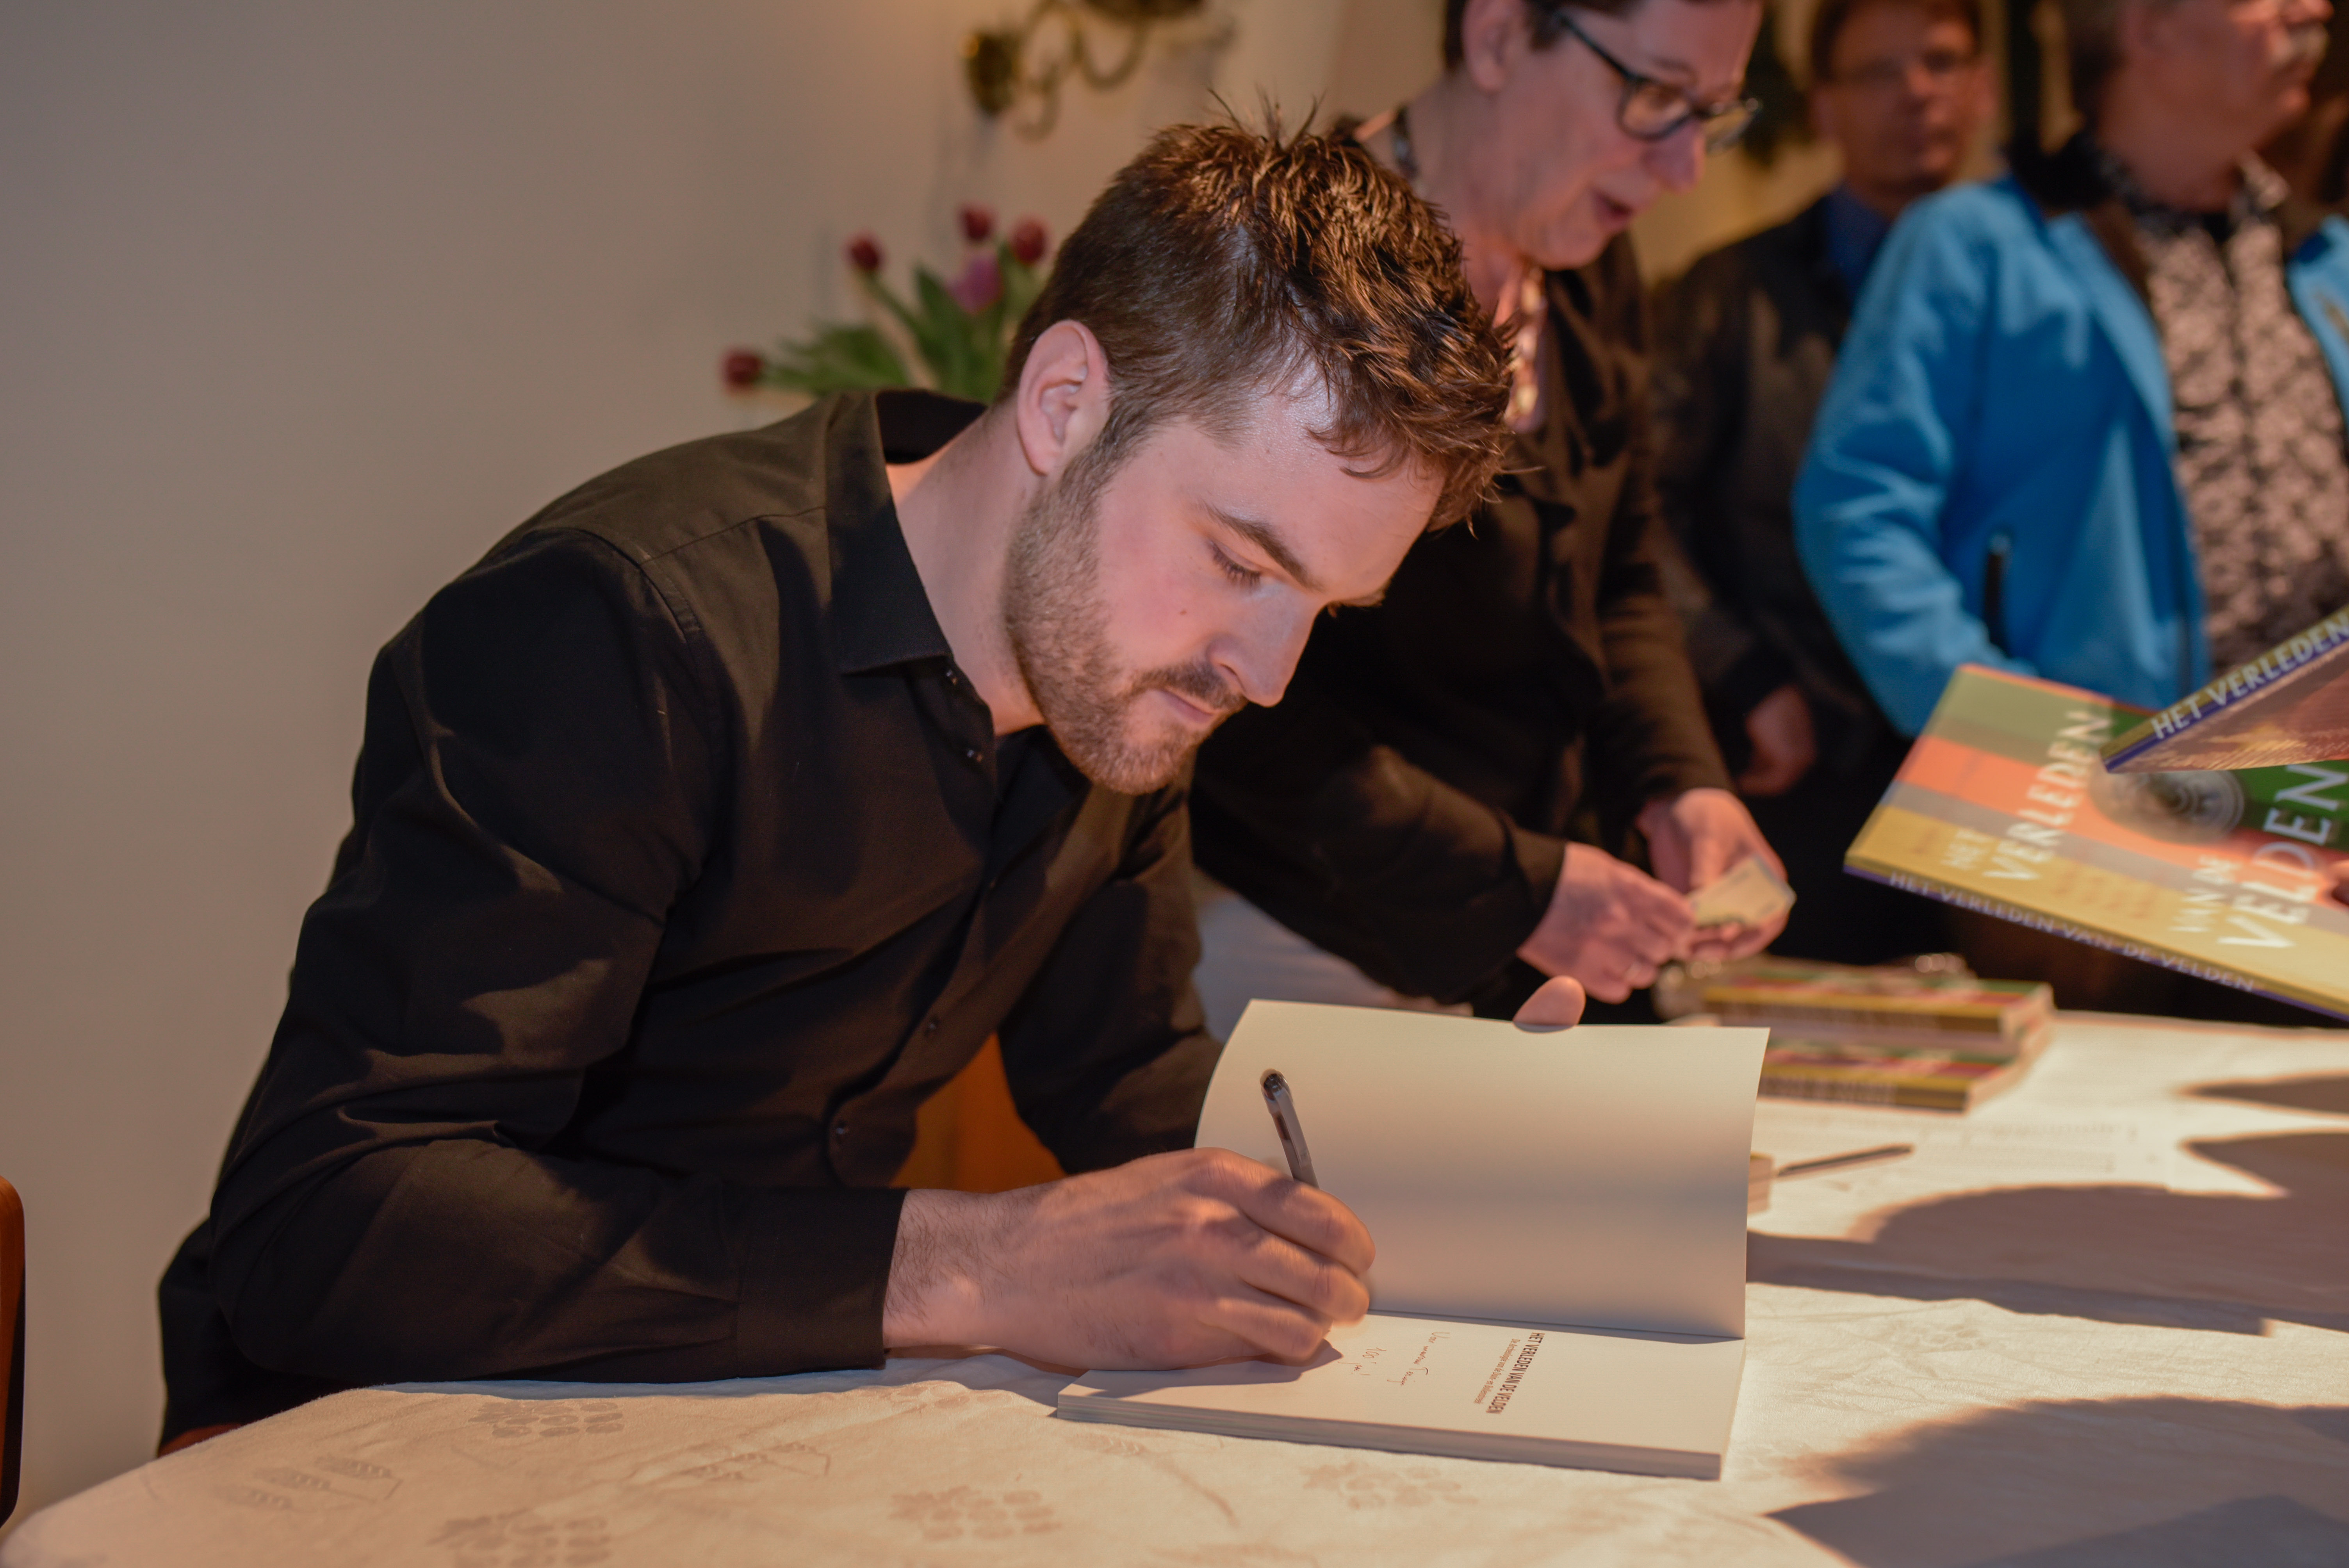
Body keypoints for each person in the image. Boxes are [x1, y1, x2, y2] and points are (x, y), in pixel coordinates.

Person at [154, 122, 1531, 1452]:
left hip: (744, 1414)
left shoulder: (1120, 682)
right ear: (1065, 406)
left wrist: (1480, 1151)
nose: (1267, 673)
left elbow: (1133, 1082)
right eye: (1244, 563)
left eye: (1324, 609)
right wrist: (974, 1259)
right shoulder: (627, 629)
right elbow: (326, 1221)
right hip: (373, 1425)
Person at [1189, 0, 1787, 1034]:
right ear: (1501, 32)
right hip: (1303, 934)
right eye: (1655, 97)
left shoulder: (1591, 268)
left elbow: (1621, 572)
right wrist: (1513, 886)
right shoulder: (1292, 268)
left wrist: (1680, 780)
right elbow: (1231, 710)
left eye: (1715, 112)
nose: (1689, 168)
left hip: (1524, 933)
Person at [1796, 0, 2349, 737]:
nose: (2310, 9)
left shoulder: (2325, 256)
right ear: (2149, 27)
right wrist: (2001, 735)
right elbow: (1859, 510)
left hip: (2317, 789)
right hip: (2101, 804)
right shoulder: (1975, 246)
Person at [1649, 0, 1995, 964]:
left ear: (1982, 87)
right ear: (1826, 107)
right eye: (1879, 72)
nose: (1916, 93)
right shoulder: (1731, 294)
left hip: (1991, 753)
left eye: (1940, 62)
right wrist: (1740, 668)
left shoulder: (2034, 289)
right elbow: (1639, 509)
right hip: (1805, 753)